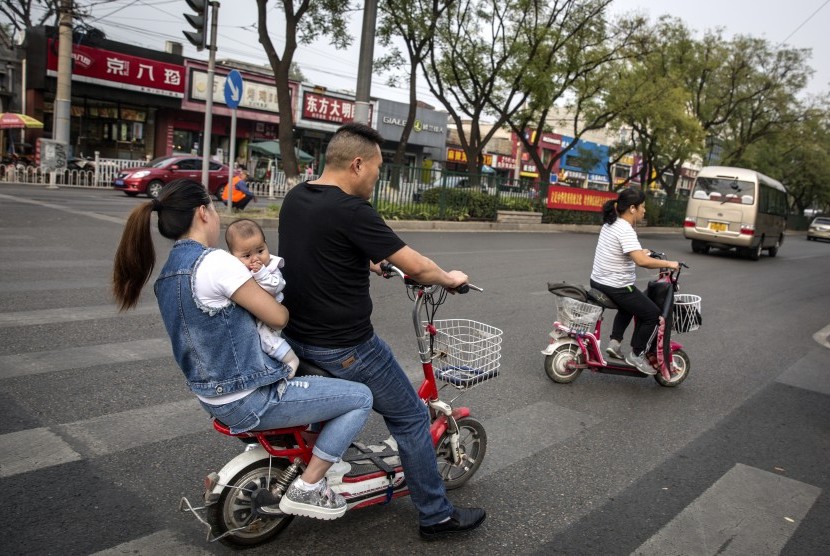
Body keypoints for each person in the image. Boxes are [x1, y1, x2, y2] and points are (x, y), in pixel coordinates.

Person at [112, 179, 372, 520]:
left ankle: (301, 461)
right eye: (214, 209)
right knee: (360, 397)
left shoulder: (168, 275)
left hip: (212, 398)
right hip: (249, 398)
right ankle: (308, 488)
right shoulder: (216, 263)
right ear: (203, 212)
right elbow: (278, 316)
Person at [278, 123, 486, 539]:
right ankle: (436, 515)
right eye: (376, 168)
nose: (377, 176)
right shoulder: (352, 210)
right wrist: (449, 278)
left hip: (298, 339)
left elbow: (320, 250)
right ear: (357, 164)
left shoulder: (298, 198)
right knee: (410, 417)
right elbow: (418, 266)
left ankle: (325, 464)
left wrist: (371, 260)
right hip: (346, 346)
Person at [589, 187, 680, 375]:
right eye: (642, 207)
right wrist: (669, 263)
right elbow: (641, 261)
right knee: (653, 315)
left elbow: (628, 253)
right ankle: (637, 354)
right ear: (632, 208)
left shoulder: (611, 223)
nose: (644, 210)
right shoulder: (625, 229)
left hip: (598, 281)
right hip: (615, 286)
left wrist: (641, 251)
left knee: (632, 302)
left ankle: (615, 343)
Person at [225, 218, 299, 375]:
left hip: (267, 316)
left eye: (260, 251)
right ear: (232, 257)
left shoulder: (270, 267)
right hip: (250, 315)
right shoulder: (234, 269)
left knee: (268, 341)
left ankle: (291, 360)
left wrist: (261, 274)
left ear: (266, 245)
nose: (256, 259)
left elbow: (276, 286)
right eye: (246, 255)